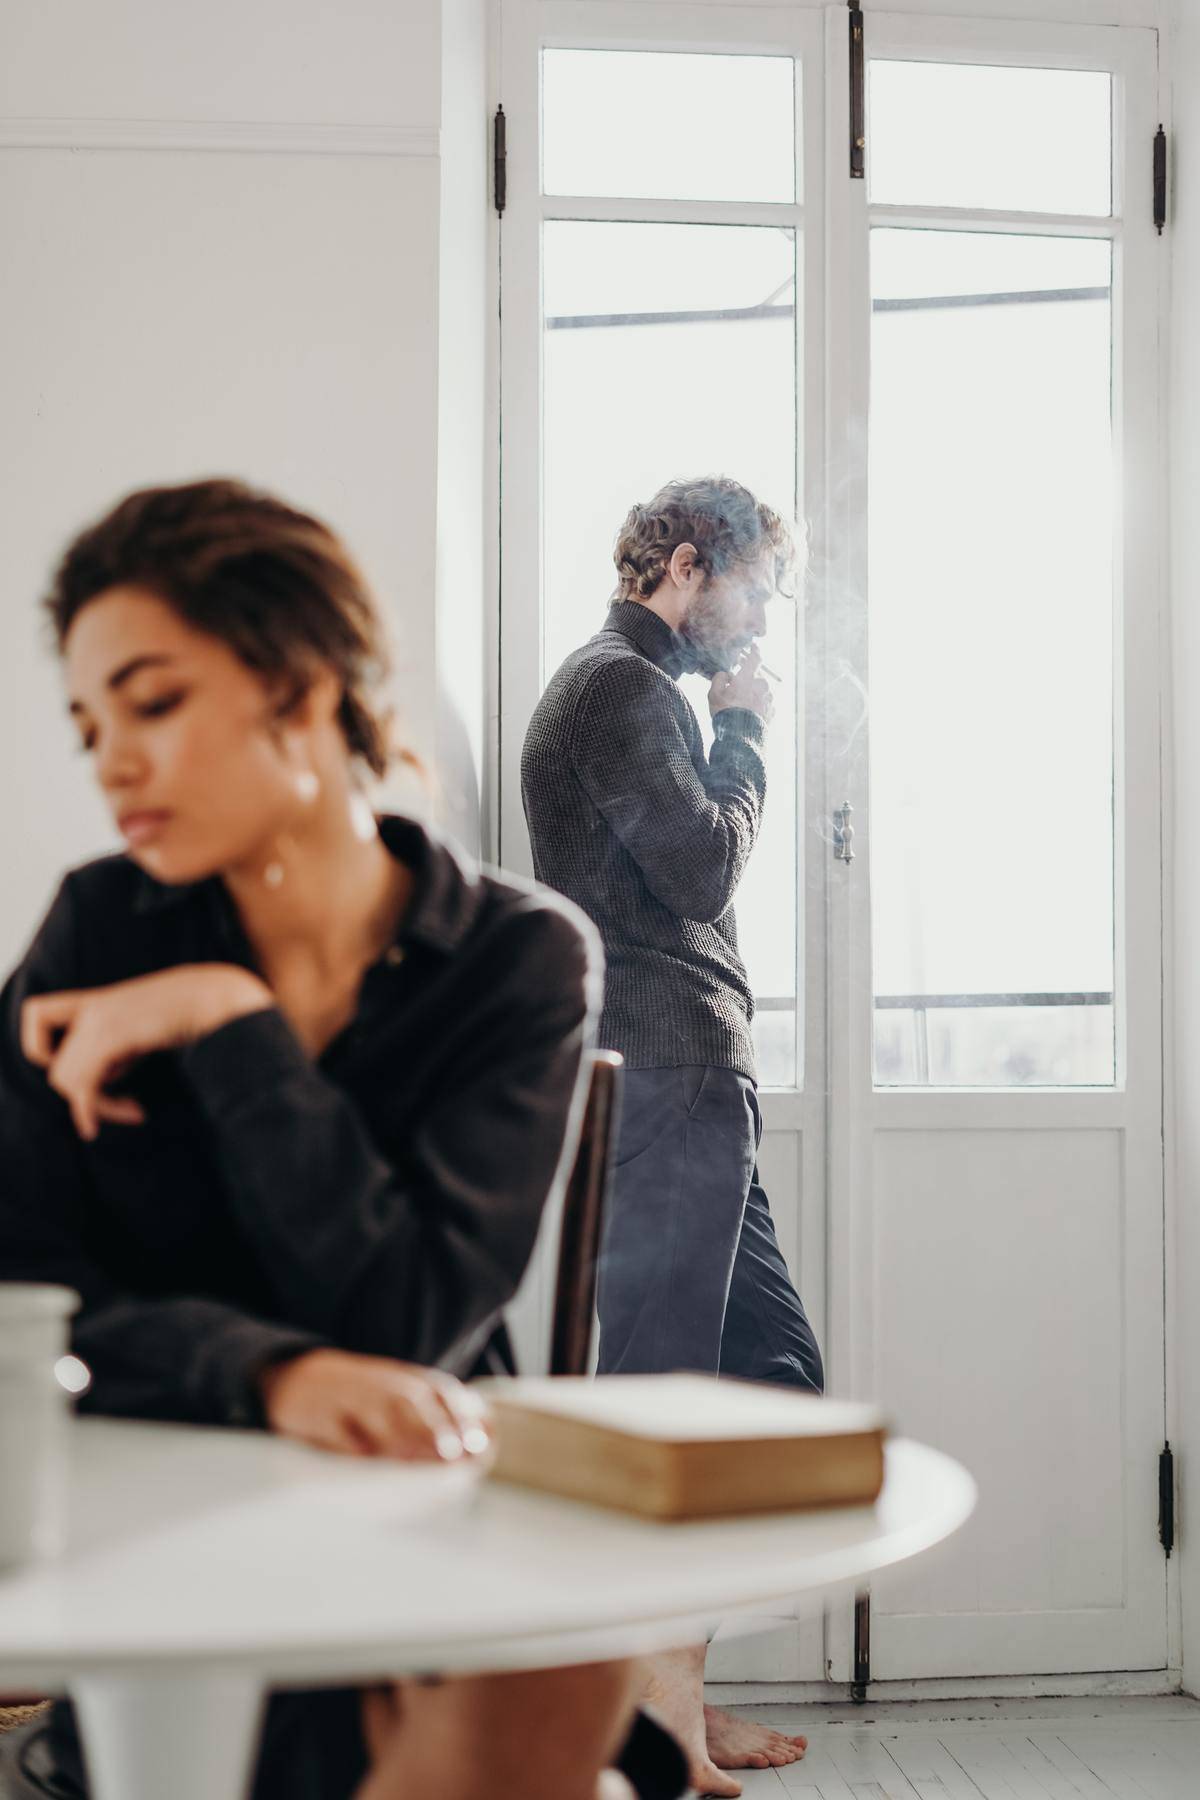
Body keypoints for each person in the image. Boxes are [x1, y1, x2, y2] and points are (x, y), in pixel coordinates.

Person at [0, 479, 686, 1800]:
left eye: (152, 702)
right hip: (156, 1515)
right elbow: (20, 1304)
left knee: (549, 1674)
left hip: (421, 1515)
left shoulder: (517, 958)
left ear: (305, 689)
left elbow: (408, 1315)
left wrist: (227, 1021)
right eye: (91, 726)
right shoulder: (97, 929)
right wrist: (266, 1373)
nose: (112, 763)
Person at [521, 476, 824, 1796]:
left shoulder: (630, 692)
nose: (762, 618)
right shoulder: (619, 688)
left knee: (772, 1377)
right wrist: (747, 736)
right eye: (756, 585)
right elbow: (701, 868)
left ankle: (670, 1698)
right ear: (688, 566)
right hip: (664, 1078)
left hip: (691, 1078)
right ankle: (650, 1729)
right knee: (665, 1405)